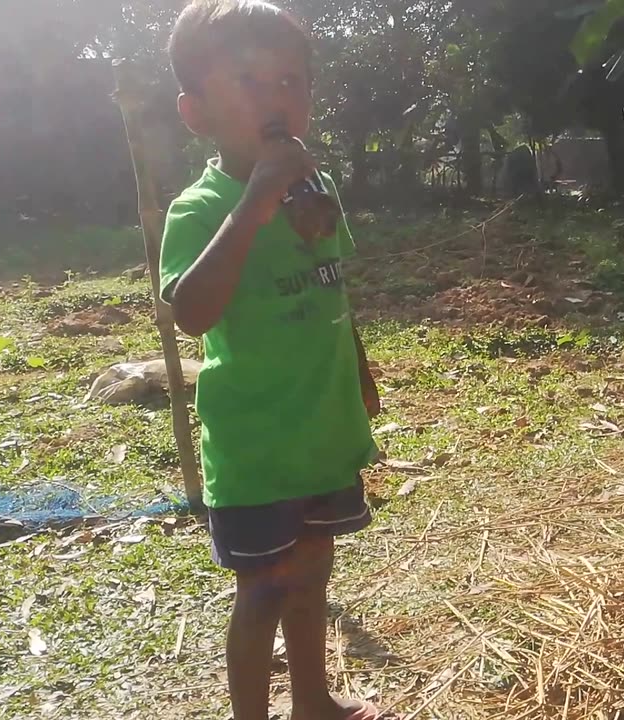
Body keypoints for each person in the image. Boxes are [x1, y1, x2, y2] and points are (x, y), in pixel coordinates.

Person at [159, 2, 388, 718]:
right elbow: (192, 313)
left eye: (292, 80)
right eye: (252, 81)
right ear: (197, 113)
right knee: (260, 592)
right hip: (256, 445)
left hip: (321, 430)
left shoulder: (318, 194)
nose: (278, 96)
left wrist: (360, 375)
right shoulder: (198, 209)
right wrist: (255, 200)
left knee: (314, 571)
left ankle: (313, 700)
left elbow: (333, 289)